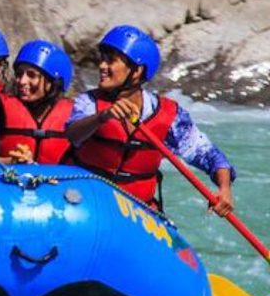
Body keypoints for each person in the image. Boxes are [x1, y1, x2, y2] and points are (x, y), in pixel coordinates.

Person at [65, 25, 235, 215]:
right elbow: (73, 134)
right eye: (102, 59)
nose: (102, 66)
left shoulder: (170, 116)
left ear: (136, 71)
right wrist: (103, 117)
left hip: (136, 212)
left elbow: (207, 154)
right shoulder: (89, 102)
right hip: (83, 202)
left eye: (111, 61)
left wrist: (224, 188)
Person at [0, 40, 74, 165]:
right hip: (8, 181)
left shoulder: (74, 115)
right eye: (19, 74)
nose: (21, 81)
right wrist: (11, 161)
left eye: (31, 75)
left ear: (52, 83)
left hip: (59, 183)